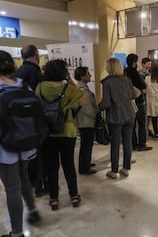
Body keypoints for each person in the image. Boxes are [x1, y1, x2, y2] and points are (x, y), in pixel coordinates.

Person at [0, 51, 41, 237]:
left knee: (12, 188)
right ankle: (33, 210)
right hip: (26, 143)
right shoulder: (23, 85)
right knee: (23, 177)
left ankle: (17, 235)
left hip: (5, 148)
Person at [36, 60, 83, 211]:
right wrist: (69, 79)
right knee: (68, 165)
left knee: (51, 167)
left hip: (47, 132)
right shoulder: (68, 88)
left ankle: (54, 199)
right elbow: (82, 97)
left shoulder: (40, 87)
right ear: (63, 72)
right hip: (67, 131)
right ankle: (74, 196)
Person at [15, 44, 47, 197]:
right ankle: (38, 186)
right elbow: (38, 97)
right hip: (33, 119)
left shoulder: (18, 72)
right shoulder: (34, 71)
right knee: (38, 155)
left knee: (27, 155)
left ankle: (28, 183)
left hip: (19, 120)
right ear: (36, 56)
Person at [99, 58, 137, 179]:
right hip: (129, 114)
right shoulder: (127, 80)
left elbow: (106, 102)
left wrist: (98, 108)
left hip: (116, 116)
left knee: (115, 144)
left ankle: (114, 171)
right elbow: (132, 95)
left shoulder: (107, 83)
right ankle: (126, 168)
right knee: (127, 142)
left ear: (109, 68)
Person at [124, 54, 152, 151]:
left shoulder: (125, 72)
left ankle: (133, 144)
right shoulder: (134, 73)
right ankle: (142, 144)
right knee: (141, 123)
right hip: (138, 100)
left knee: (132, 123)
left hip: (128, 101)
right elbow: (142, 85)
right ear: (134, 62)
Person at [74, 66, 98, 175]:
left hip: (86, 121)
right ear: (82, 76)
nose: (90, 76)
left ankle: (86, 163)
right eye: (88, 74)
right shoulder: (81, 90)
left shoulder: (83, 88)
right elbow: (86, 107)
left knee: (88, 144)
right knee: (86, 145)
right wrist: (95, 115)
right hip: (85, 121)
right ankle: (84, 167)